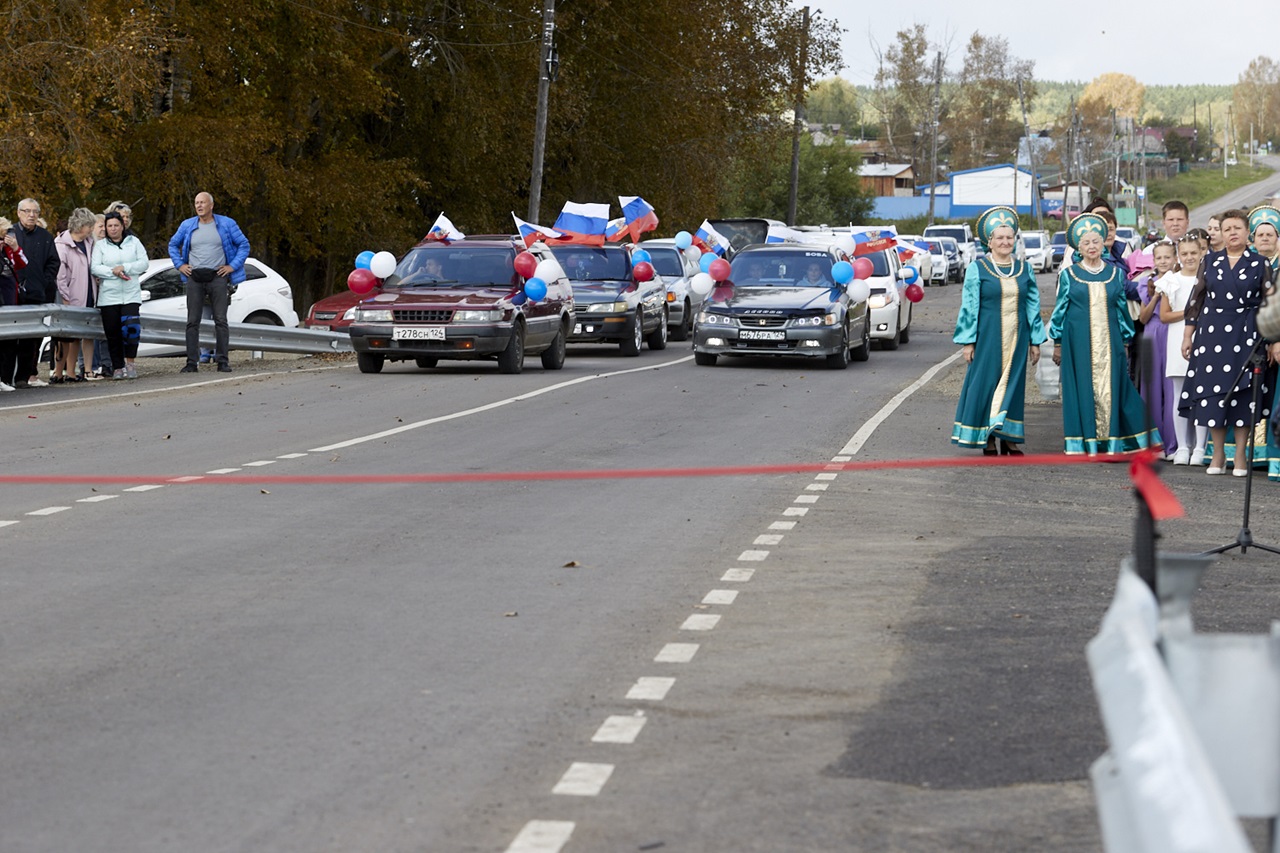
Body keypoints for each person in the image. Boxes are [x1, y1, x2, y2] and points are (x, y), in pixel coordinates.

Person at [1179, 208, 1280, 476]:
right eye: (1227, 229)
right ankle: (1219, 454)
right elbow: (1196, 299)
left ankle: (1240, 455)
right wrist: (1188, 335)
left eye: (1237, 228)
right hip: (1212, 334)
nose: (1232, 233)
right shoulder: (1209, 261)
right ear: (1221, 234)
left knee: (1244, 394)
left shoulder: (1261, 263)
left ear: (1248, 232)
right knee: (1215, 393)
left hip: (1248, 333)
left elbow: (1271, 305)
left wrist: (1273, 341)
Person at [1049, 213, 1159, 455]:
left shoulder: (1115, 274)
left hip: (1111, 343)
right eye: (1086, 243)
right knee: (1083, 388)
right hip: (1078, 342)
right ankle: (1086, 443)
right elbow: (1059, 312)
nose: (1091, 247)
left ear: (1103, 245)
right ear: (1079, 246)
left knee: (1117, 388)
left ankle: (1116, 442)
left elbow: (1121, 309)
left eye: (1096, 242)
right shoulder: (1069, 275)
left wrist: (1126, 339)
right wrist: (1057, 342)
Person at [952, 206, 1046, 455]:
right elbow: (970, 307)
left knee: (1013, 387)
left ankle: (1009, 437)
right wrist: (968, 341)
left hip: (1018, 337)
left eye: (1009, 237)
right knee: (986, 384)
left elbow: (1032, 307)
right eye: (1000, 238)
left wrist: (1035, 341)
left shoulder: (1025, 269)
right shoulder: (978, 269)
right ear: (989, 242)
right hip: (987, 337)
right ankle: (988, 436)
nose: (1005, 242)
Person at [168, 191, 249, 373]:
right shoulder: (188, 225)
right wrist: (180, 265)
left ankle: (222, 361)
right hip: (194, 278)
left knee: (220, 320)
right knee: (192, 321)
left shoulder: (226, 224)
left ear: (211, 205)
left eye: (203, 203)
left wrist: (232, 266)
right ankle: (191, 362)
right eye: (197, 203)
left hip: (218, 277)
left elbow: (244, 245)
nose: (199, 206)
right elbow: (173, 244)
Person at [1158, 234, 1210, 464]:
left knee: (1203, 394)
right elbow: (1164, 315)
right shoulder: (1172, 280)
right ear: (1179, 255)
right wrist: (1191, 311)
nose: (1189, 257)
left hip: (1205, 339)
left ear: (1202, 254)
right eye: (1185, 253)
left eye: (1194, 253)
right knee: (1179, 394)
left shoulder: (1208, 279)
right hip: (1178, 338)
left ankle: (1200, 447)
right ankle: (1182, 446)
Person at [1134, 241, 1179, 455]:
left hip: (1173, 333)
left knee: (1172, 389)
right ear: (1153, 261)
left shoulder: (1179, 280)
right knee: (1151, 388)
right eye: (1159, 258)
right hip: (1152, 333)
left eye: (1167, 257)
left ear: (1174, 259)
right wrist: (1156, 297)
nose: (1163, 261)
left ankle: (1174, 443)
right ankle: (1153, 442)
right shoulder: (1147, 283)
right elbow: (1143, 318)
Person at [91, 211, 148, 379]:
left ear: (122, 226)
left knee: (131, 330)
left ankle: (130, 362)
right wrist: (113, 272)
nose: (113, 229)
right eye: (110, 226)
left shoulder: (134, 242)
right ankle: (117, 367)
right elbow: (95, 267)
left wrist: (125, 267)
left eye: (116, 225)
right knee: (113, 333)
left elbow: (143, 263)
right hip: (109, 296)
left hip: (130, 294)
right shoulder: (100, 246)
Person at [11, 198, 60, 388]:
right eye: (27, 211)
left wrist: (43, 282)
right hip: (12, 296)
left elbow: (54, 263)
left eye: (35, 212)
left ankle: (23, 377)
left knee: (30, 339)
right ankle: (6, 377)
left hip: (36, 295)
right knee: (9, 340)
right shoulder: (10, 234)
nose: (31, 215)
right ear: (18, 213)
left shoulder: (45, 237)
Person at [52, 208, 97, 383]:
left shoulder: (88, 243)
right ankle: (58, 372)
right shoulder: (61, 244)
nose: (91, 229)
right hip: (69, 295)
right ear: (81, 226)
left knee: (76, 334)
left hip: (86, 292)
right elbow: (60, 275)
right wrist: (65, 295)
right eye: (89, 226)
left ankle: (71, 372)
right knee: (62, 336)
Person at [0, 217, 29, 392]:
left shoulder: (9, 250)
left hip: (10, 299)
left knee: (9, 342)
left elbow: (23, 263)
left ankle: (6, 378)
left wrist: (15, 248)